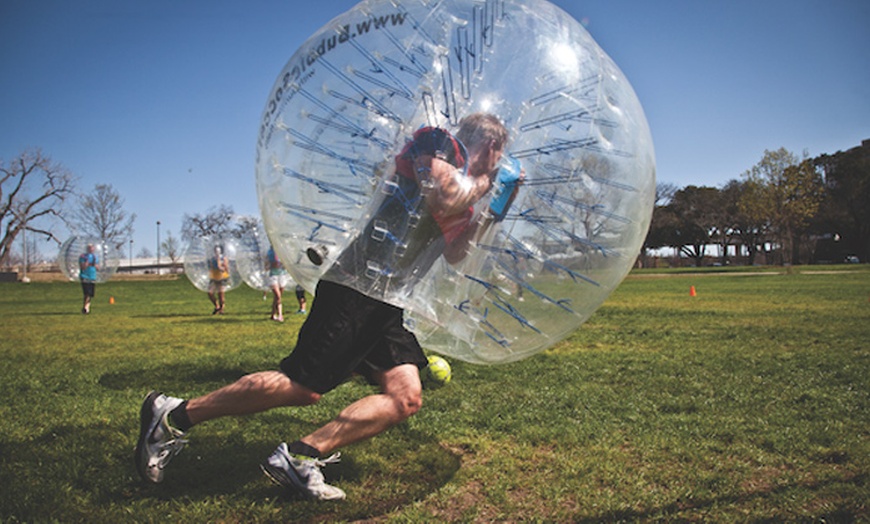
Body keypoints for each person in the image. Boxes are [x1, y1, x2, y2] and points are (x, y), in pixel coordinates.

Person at [135, 113, 518, 500]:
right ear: (489, 146)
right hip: (354, 287)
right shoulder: (436, 142)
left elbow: (455, 253)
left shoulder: (467, 190)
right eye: (499, 152)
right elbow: (444, 194)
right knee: (303, 385)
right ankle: (173, 415)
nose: (500, 161)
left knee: (405, 397)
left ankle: (302, 456)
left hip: (386, 301)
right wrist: (487, 182)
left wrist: (494, 210)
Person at [267, 245, 289, 322]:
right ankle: (280, 315)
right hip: (273, 275)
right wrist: (271, 265)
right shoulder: (270, 253)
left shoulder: (283, 253)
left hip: (282, 275)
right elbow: (266, 265)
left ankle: (273, 314)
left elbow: (286, 264)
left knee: (277, 298)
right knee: (278, 296)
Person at [207, 245, 230, 314]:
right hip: (214, 277)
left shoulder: (223, 258)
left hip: (222, 277)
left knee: (221, 294)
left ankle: (221, 309)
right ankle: (217, 306)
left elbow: (226, 267)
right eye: (216, 250)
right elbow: (210, 267)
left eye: (218, 250)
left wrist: (223, 268)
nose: (217, 252)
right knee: (210, 293)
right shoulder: (212, 259)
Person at [79, 243, 99, 314]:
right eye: (89, 248)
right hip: (85, 276)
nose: (91, 249)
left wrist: (94, 265)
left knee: (90, 294)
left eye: (92, 247)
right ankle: (85, 308)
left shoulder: (95, 257)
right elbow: (82, 267)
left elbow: (98, 268)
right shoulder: (83, 256)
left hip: (92, 277)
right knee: (87, 293)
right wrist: (86, 263)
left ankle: (87, 308)